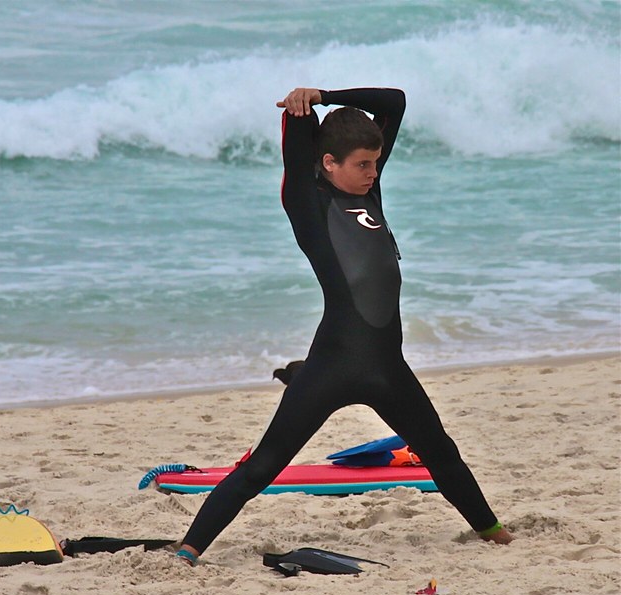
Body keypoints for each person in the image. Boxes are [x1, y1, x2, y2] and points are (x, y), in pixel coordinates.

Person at [175, 87, 512, 566]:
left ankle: (493, 532)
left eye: (376, 163)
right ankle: (188, 550)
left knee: (442, 453)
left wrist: (329, 93)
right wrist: (303, 107)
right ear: (330, 162)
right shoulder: (307, 204)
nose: (373, 173)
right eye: (362, 165)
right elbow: (298, 150)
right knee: (263, 467)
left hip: (386, 367)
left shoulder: (368, 190)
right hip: (332, 364)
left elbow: (394, 101)